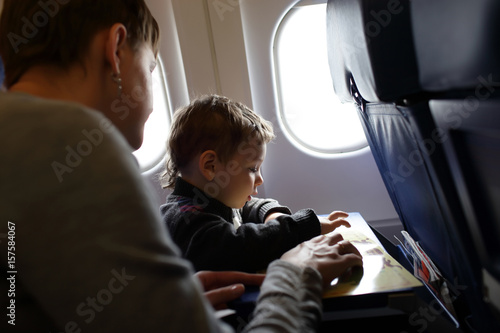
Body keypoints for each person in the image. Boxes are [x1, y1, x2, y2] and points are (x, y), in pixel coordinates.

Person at [0, 1, 362, 332]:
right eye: (151, 66)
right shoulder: (76, 145)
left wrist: (171, 305)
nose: (153, 102)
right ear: (116, 50)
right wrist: (297, 274)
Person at [160, 95, 351, 272]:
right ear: (211, 166)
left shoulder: (213, 200)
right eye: (252, 169)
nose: (260, 179)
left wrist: (272, 214)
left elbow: (245, 208)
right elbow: (241, 247)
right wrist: (301, 227)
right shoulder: (185, 220)